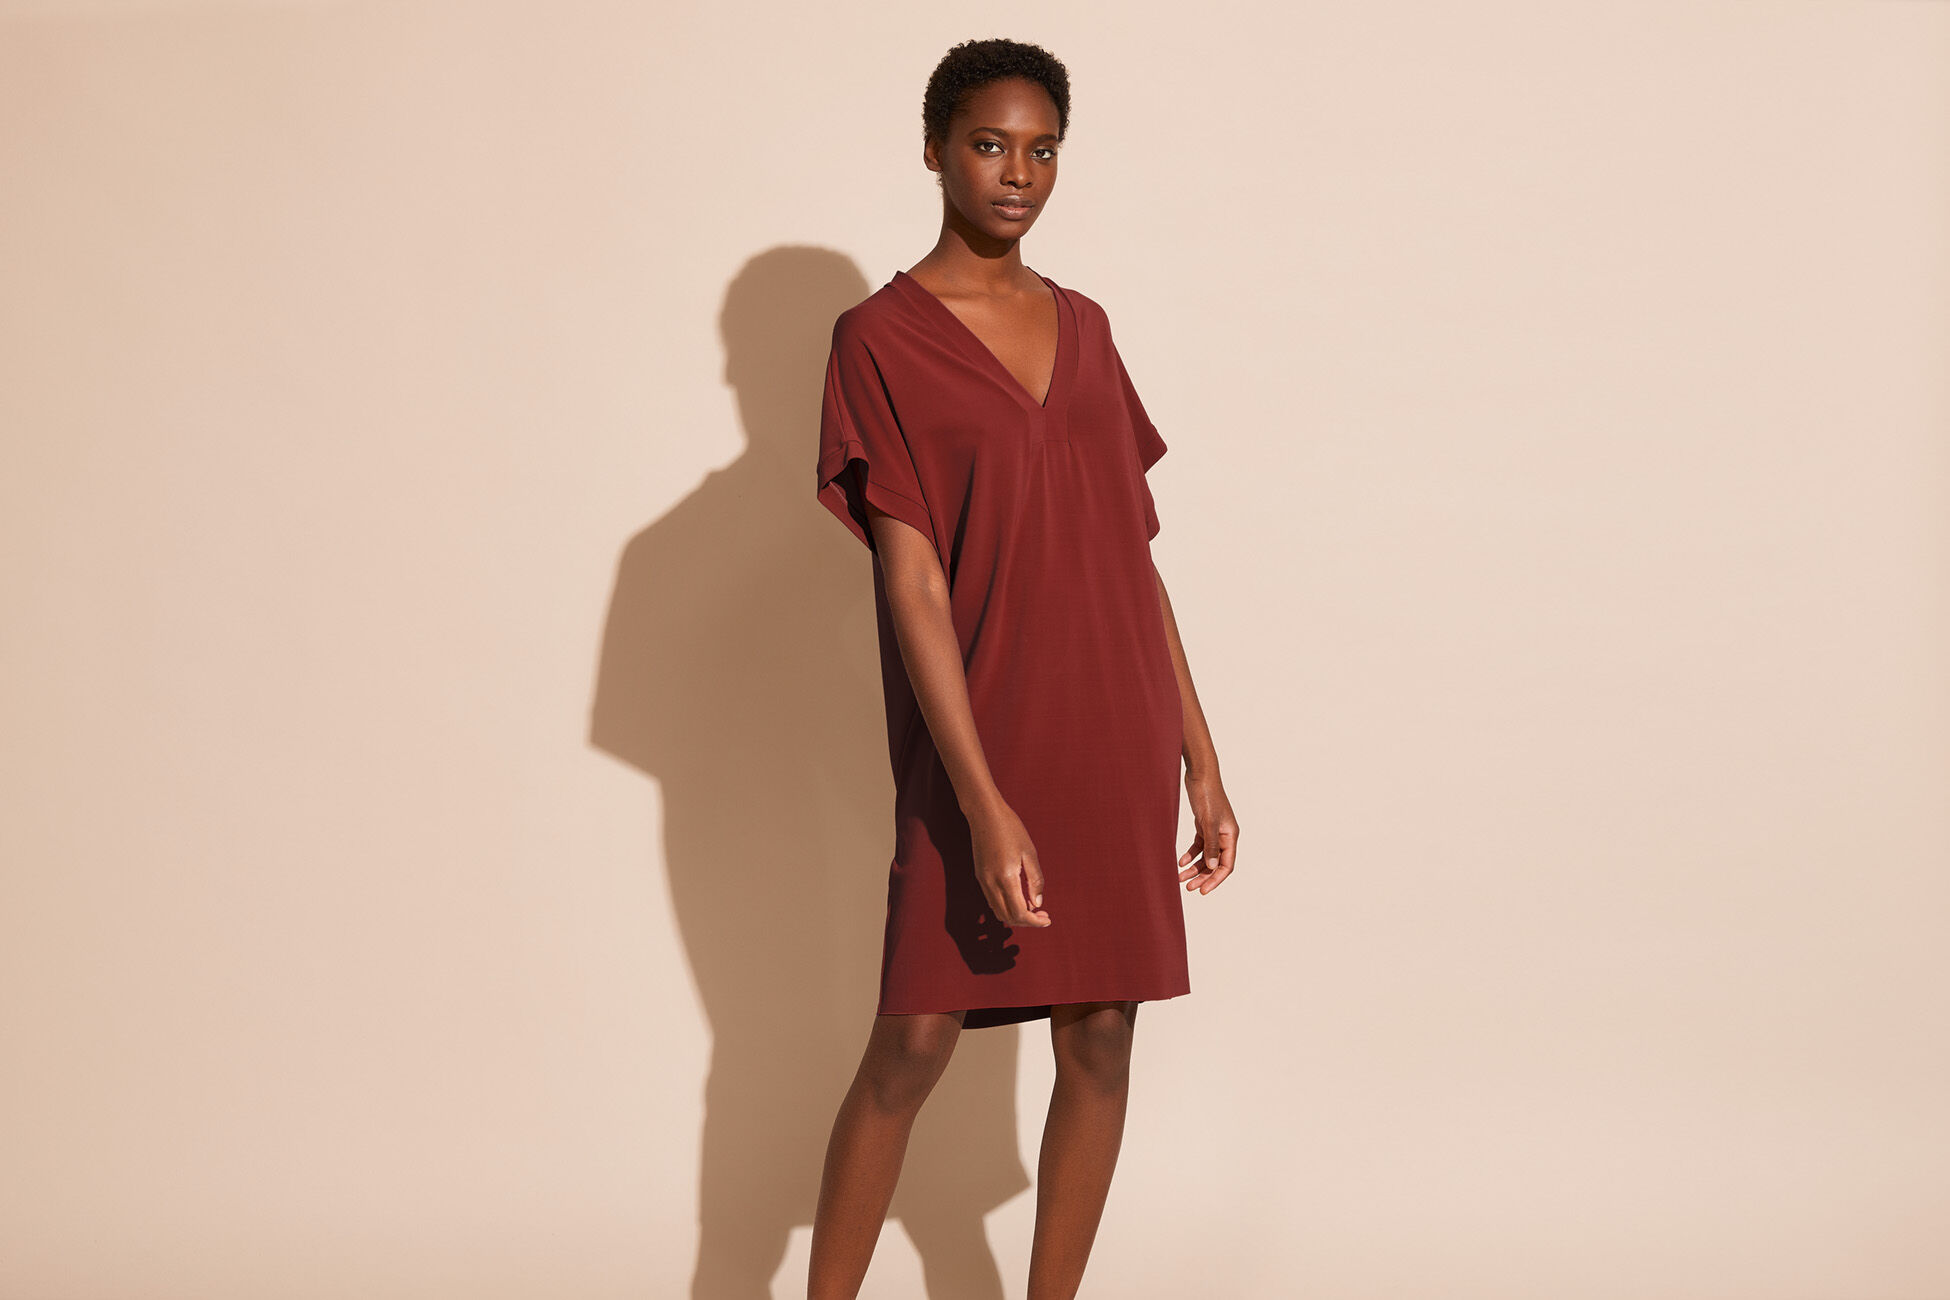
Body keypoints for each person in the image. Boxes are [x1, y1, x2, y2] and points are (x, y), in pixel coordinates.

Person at [807, 37, 1238, 1299]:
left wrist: (1202, 759)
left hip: (1115, 729)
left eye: (1042, 150)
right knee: (913, 1042)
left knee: (1101, 1036)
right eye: (990, 145)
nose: (1017, 173)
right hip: (981, 733)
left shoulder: (1088, 327)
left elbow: (1131, 560)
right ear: (934, 150)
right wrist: (982, 800)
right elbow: (913, 582)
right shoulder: (877, 339)